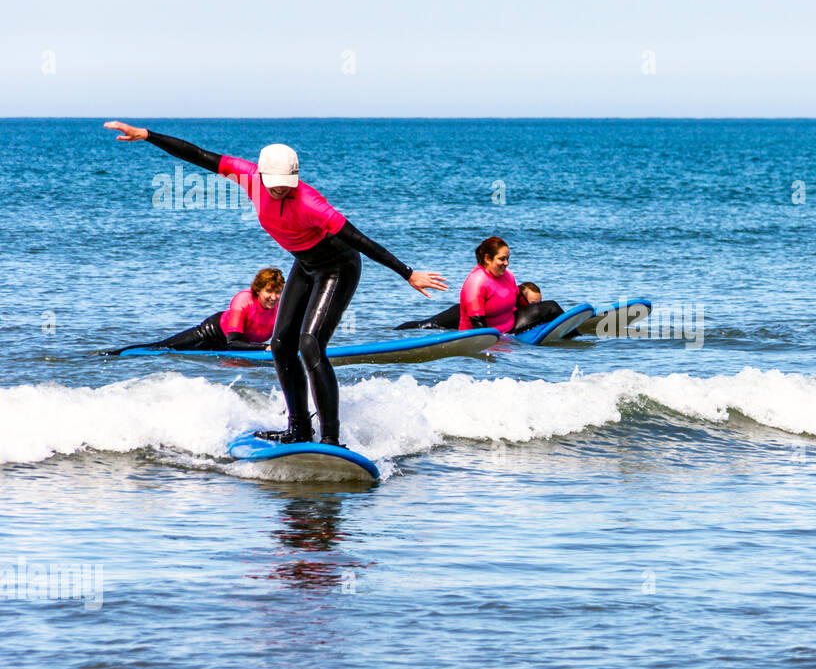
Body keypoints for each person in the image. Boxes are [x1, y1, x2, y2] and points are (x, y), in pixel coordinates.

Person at [104, 121, 447, 445]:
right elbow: (199, 155)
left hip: (337, 267)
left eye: (288, 181)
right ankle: (298, 430)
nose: (282, 187)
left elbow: (359, 239)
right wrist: (147, 135)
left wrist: (407, 272)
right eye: (276, 181)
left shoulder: (312, 203)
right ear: (262, 174)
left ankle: (330, 439)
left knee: (311, 344)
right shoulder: (248, 176)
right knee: (282, 345)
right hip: (305, 263)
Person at [107, 268, 285, 354]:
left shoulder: (280, 307)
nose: (274, 297)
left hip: (230, 346)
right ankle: (116, 354)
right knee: (163, 348)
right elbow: (233, 343)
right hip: (209, 334)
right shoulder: (244, 300)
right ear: (258, 290)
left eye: (278, 292)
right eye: (269, 291)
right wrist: (266, 347)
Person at [395, 280, 547, 332]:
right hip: (461, 313)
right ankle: (397, 332)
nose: (536, 308)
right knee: (426, 325)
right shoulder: (508, 302)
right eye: (533, 304)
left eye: (538, 304)